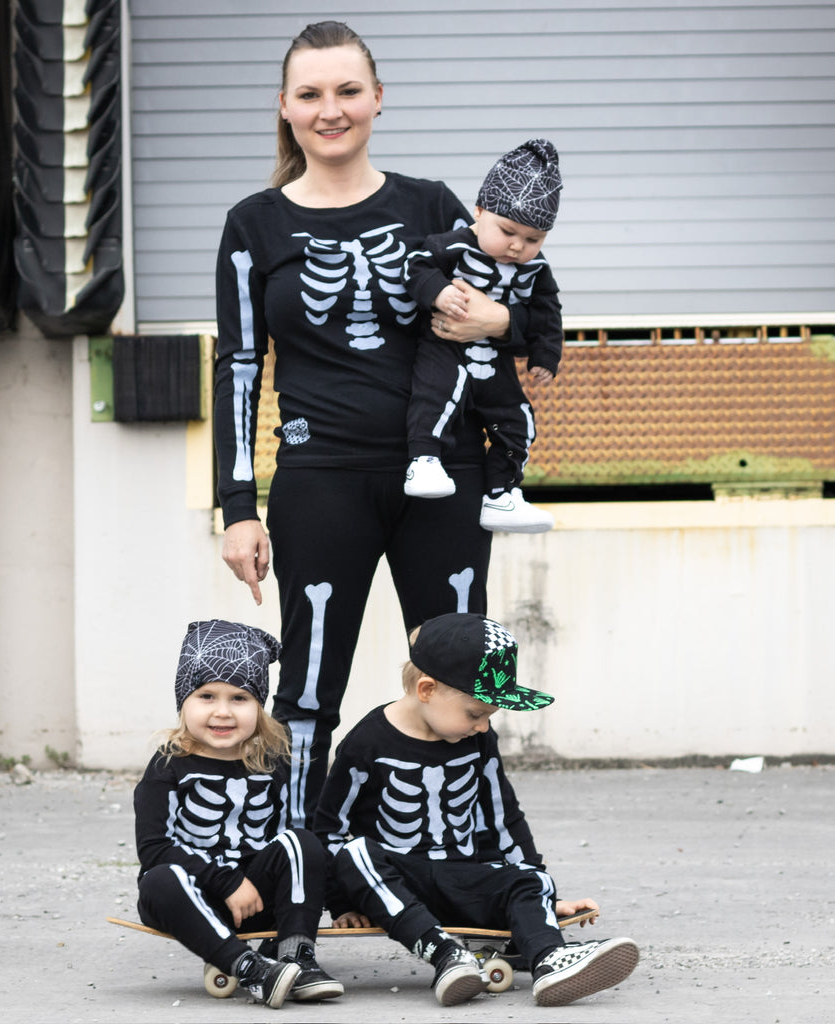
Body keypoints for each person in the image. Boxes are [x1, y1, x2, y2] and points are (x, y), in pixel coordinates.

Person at [214, 21, 538, 827]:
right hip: (322, 479)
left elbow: (522, 312)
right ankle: (293, 860)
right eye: (311, 94)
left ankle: (474, 857)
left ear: (378, 99)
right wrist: (238, 507)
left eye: (348, 91)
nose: (331, 110)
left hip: (445, 474)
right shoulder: (253, 225)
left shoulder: (430, 205)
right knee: (308, 688)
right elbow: (239, 366)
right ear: (285, 106)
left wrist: (501, 322)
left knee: (465, 682)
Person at [315, 612, 639, 1007]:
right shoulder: (365, 743)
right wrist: (343, 903)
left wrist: (542, 899)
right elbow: (328, 829)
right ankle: (447, 955)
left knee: (531, 878)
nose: (483, 726)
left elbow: (503, 817)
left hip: (462, 877)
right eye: (476, 713)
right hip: (397, 882)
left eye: (489, 717)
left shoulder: (478, 741)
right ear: (427, 689)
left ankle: (549, 957)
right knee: (355, 852)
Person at [134, 619, 343, 1008]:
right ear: (183, 702)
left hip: (258, 902)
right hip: (194, 899)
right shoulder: (168, 766)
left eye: (239, 698)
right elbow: (154, 848)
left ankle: (296, 957)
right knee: (158, 879)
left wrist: (341, 901)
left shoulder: (271, 765)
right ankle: (251, 969)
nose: (223, 712)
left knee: (302, 841)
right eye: (206, 696)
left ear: (259, 707)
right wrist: (227, 881)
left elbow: (290, 852)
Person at [402, 139, 564, 533]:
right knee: (435, 399)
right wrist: (437, 291)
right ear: (479, 211)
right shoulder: (452, 245)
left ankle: (502, 495)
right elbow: (416, 266)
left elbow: (548, 311)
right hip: (445, 349)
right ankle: (424, 463)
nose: (517, 246)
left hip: (496, 360)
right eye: (507, 231)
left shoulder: (536, 270)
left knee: (518, 421)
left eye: (533, 239)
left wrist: (546, 355)